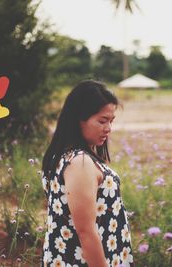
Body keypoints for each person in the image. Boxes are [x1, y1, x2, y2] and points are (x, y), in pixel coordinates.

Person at [41, 80, 134, 267]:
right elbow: (86, 231)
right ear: (79, 119)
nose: (108, 128)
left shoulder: (66, 156)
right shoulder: (79, 162)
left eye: (111, 121)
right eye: (102, 121)